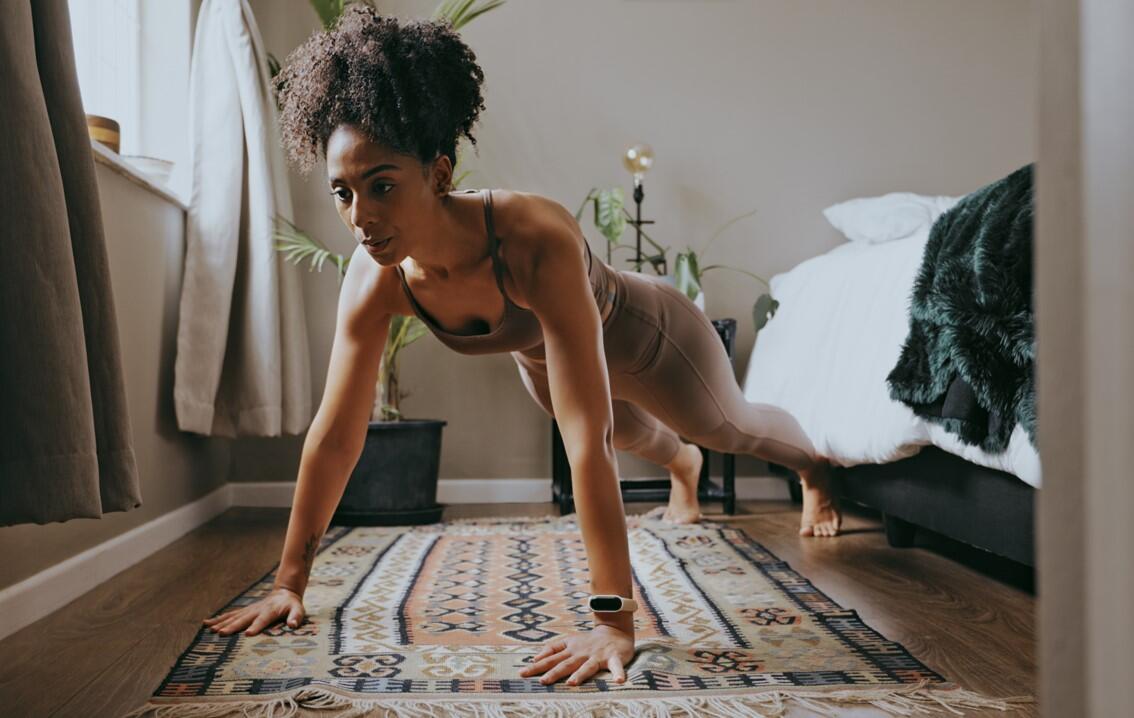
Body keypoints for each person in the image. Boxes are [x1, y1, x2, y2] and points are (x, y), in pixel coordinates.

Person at [201, 6, 841, 688]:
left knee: (726, 427)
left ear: (439, 174)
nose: (360, 216)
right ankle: (682, 468)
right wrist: (288, 581)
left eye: (382, 185)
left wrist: (612, 621)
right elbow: (335, 437)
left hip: (652, 340)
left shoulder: (533, 239)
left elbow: (582, 446)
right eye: (343, 192)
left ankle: (816, 469)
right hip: (545, 362)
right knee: (637, 438)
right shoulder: (375, 280)